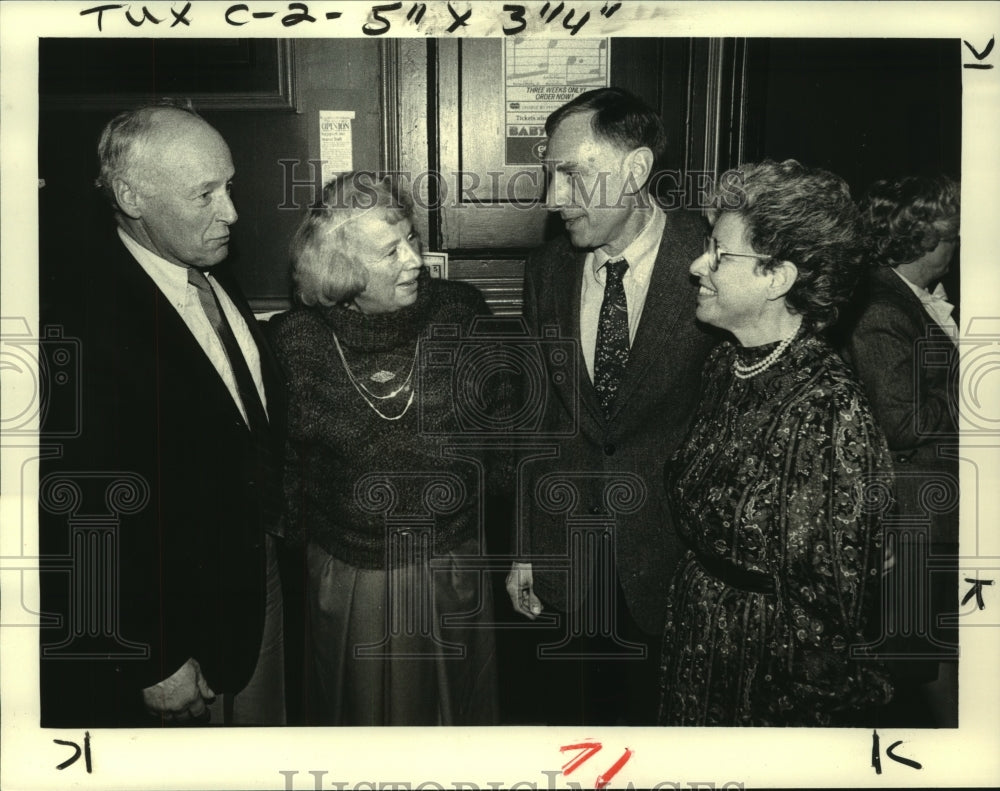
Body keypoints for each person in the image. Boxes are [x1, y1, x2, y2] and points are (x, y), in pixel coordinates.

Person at [39, 102, 286, 727]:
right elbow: (74, 511)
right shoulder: (79, 318)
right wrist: (148, 657)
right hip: (174, 635)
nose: (231, 212)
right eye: (205, 194)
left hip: (253, 597)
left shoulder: (206, 268)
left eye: (229, 186)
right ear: (130, 196)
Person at [504, 87, 717, 725]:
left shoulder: (715, 262)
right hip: (572, 562)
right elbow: (539, 419)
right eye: (549, 174)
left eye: (571, 174)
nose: (552, 198)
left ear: (635, 170)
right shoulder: (548, 270)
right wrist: (525, 547)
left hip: (678, 569)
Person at [658, 159, 894, 726]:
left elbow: (833, 608)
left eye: (720, 254)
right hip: (702, 639)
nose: (697, 266)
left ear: (778, 277)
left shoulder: (828, 409)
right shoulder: (727, 364)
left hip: (766, 673)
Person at [269, 174, 499, 726]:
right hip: (355, 575)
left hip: (450, 561)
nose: (415, 260)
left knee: (458, 723)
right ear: (342, 267)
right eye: (390, 250)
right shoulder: (297, 342)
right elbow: (289, 469)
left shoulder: (462, 314)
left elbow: (506, 434)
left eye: (412, 240)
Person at [844, 175, 960, 726]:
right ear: (923, 240)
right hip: (908, 520)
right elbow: (903, 421)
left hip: (923, 515)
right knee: (909, 669)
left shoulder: (906, 300)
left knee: (927, 660)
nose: (957, 251)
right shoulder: (882, 308)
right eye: (953, 239)